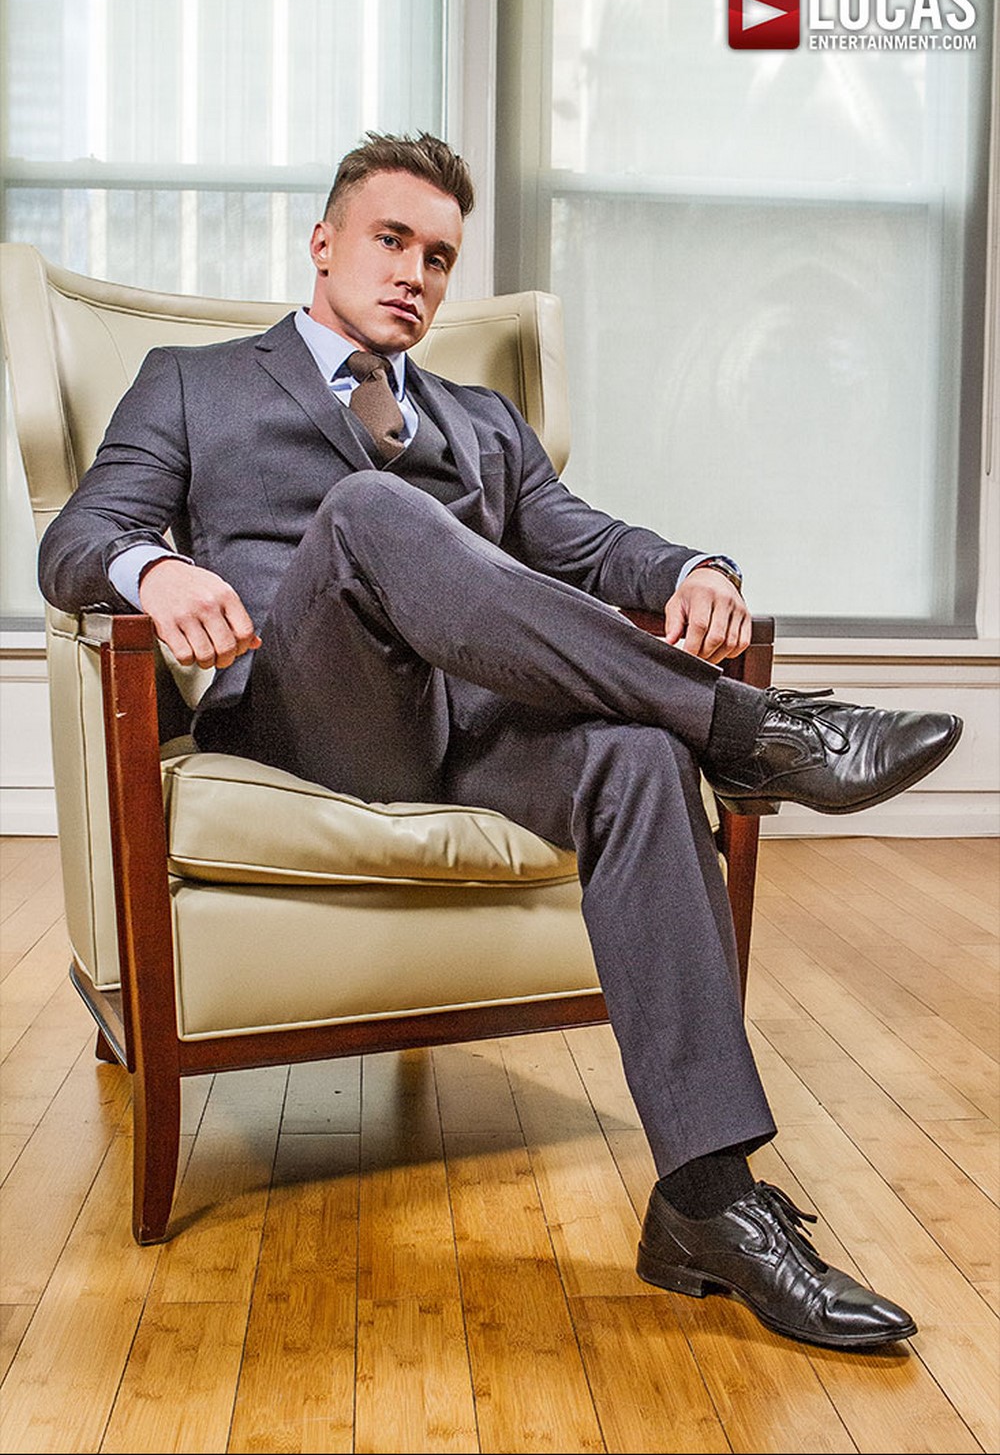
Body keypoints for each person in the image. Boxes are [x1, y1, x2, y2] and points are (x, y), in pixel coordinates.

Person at [39, 131, 961, 1351]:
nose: (414, 273)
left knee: (639, 759)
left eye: (438, 256)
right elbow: (77, 537)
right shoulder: (190, 383)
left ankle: (706, 1200)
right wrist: (151, 570)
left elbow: (589, 542)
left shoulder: (482, 420)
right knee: (371, 509)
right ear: (322, 242)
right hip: (308, 717)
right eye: (390, 240)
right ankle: (754, 732)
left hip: (472, 727)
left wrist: (698, 567)